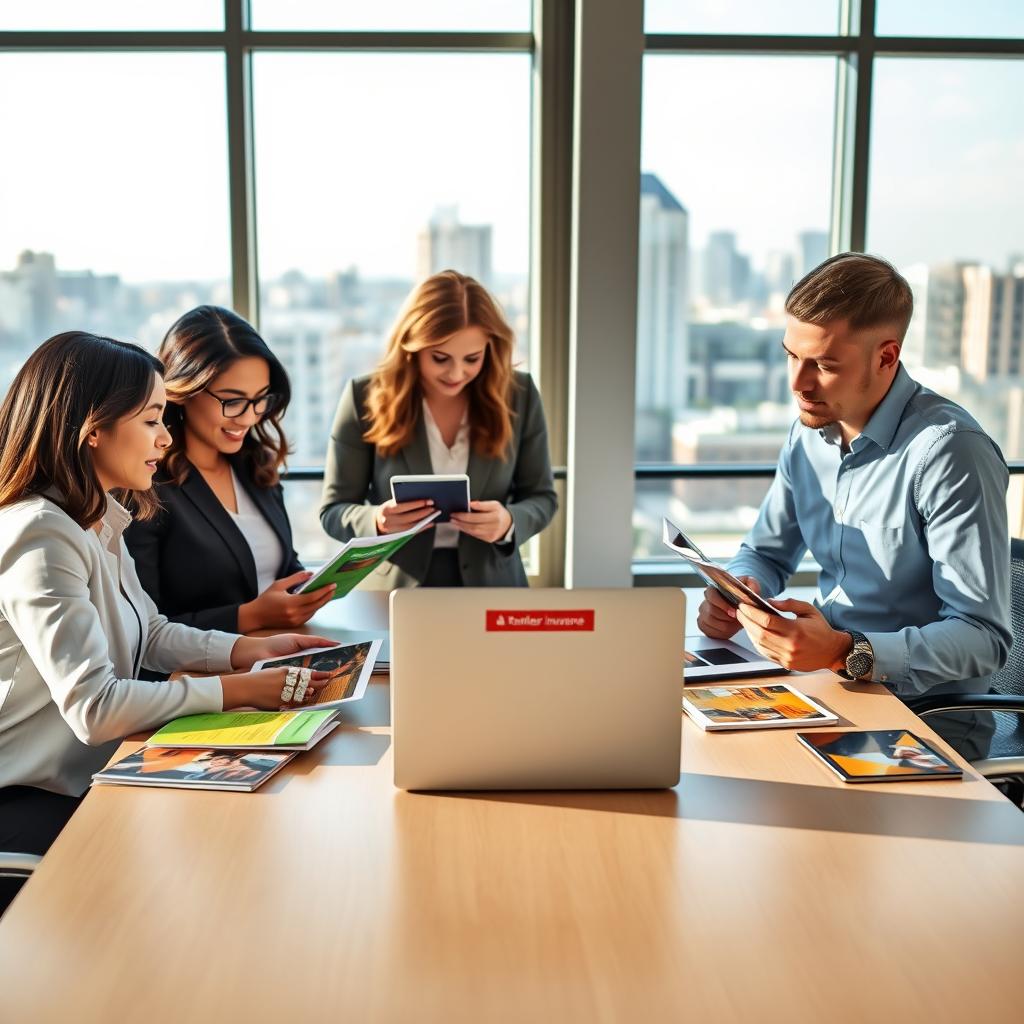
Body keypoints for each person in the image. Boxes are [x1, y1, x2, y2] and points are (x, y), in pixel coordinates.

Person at [0, 333, 333, 913]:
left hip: (98, 778)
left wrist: (250, 651)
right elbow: (95, 707)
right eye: (152, 419)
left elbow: (150, 631)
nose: (165, 437)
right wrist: (237, 691)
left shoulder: (97, 515)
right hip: (33, 797)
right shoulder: (40, 532)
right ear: (93, 427)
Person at [697, 253, 1011, 761]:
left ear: (887, 356)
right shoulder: (809, 433)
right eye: (790, 356)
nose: (798, 383)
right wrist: (739, 591)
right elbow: (765, 553)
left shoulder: (950, 452)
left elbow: (983, 637)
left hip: (925, 722)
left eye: (823, 365)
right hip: (826, 691)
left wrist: (848, 651)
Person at [320, 270, 557, 587]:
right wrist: (376, 520)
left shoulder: (520, 395)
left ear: (490, 347)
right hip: (397, 588)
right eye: (440, 358)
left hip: (493, 584)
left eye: (472, 358)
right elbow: (333, 511)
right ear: (411, 347)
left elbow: (542, 497)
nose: (456, 373)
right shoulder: (363, 397)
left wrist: (509, 521)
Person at [125, 306, 335, 633]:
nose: (249, 418)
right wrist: (251, 616)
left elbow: (281, 564)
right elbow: (141, 628)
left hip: (285, 649)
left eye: (260, 399)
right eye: (232, 401)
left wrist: (308, 588)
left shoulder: (255, 464)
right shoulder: (146, 486)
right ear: (184, 392)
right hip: (211, 675)